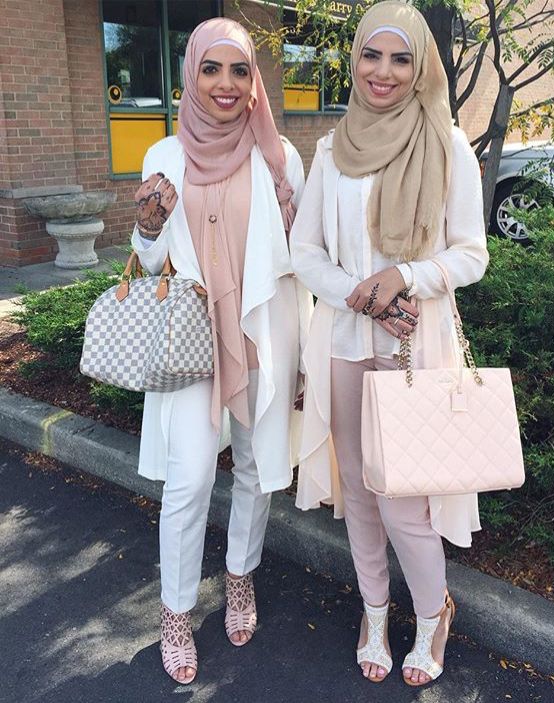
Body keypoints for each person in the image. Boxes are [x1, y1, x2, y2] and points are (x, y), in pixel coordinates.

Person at [290, 0, 489, 688]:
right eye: (371, 55)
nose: (384, 71)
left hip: (414, 343)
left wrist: (403, 276)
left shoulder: (447, 144)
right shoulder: (332, 148)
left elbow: (472, 254)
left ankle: (434, 613)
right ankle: (374, 613)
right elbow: (304, 251)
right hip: (346, 338)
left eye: (401, 58)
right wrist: (360, 292)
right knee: (359, 488)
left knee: (405, 496)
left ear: (421, 66)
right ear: (354, 61)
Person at [131, 17, 308, 685]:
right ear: (191, 75)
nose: (226, 84)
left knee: (256, 468)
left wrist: (303, 359)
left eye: (239, 70)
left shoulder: (280, 157)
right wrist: (147, 228)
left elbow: (298, 266)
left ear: (253, 80)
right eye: (211, 69)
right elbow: (151, 264)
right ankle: (175, 611)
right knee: (191, 478)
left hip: (262, 330)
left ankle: (240, 576)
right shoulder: (163, 155)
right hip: (190, 337)